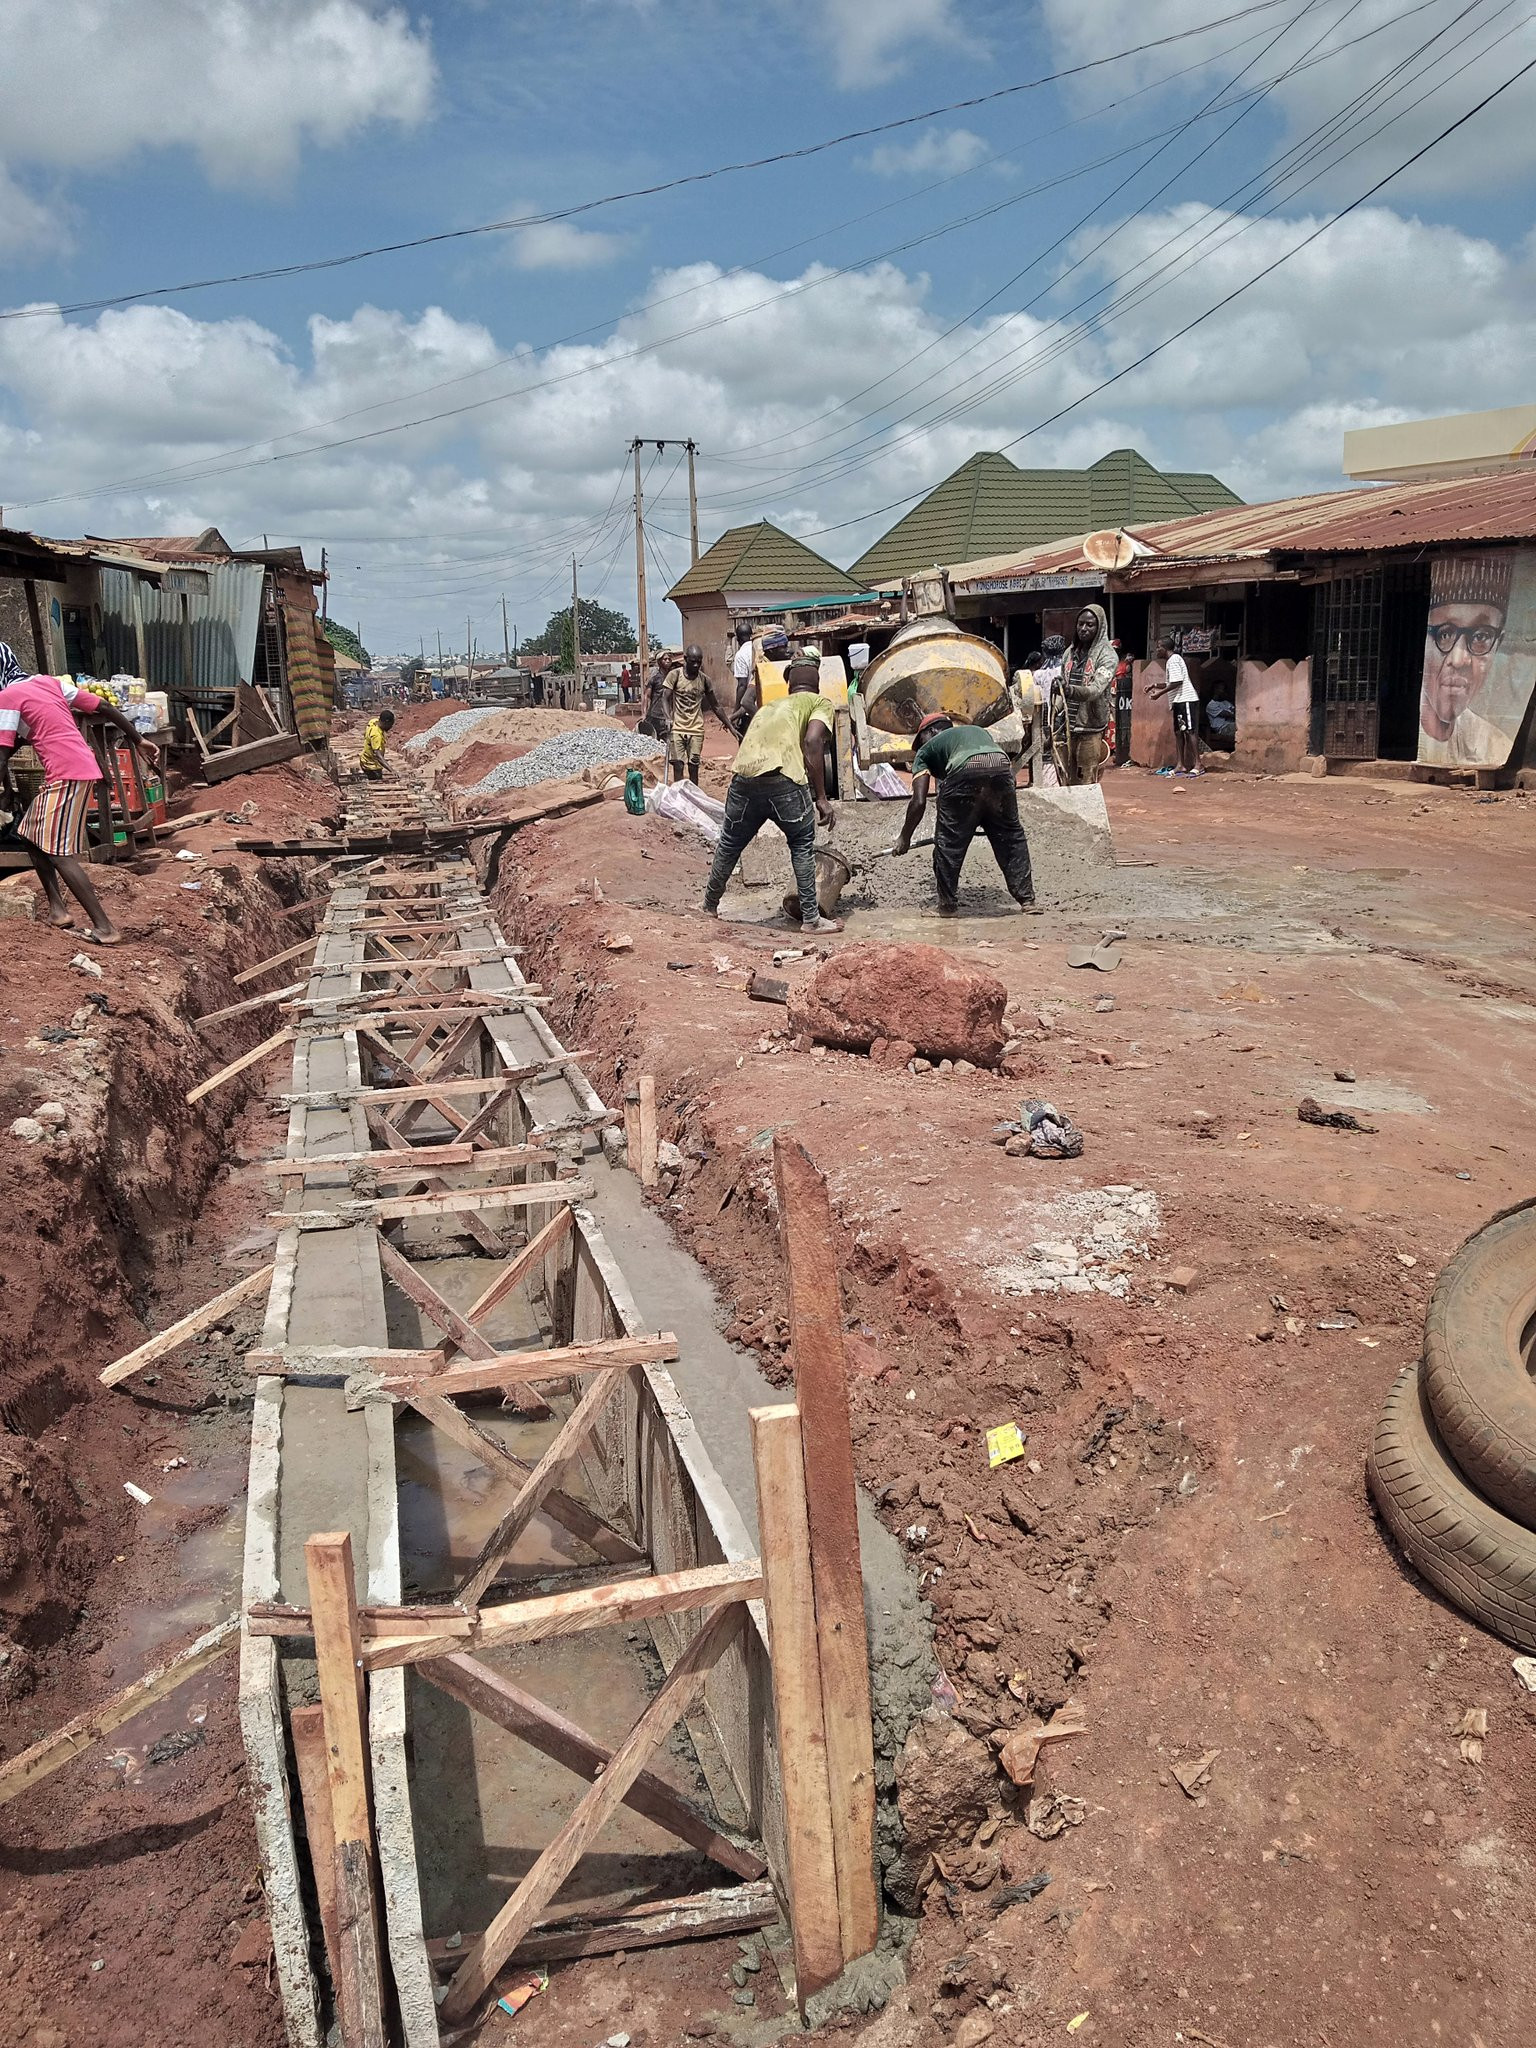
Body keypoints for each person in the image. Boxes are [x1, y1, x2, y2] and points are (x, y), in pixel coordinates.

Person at [0, 652, 158, 945]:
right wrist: (140, 740)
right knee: (29, 835)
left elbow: (2, 753)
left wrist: (3, 790)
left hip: (66, 774)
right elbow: (103, 705)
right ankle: (58, 911)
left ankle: (105, 928)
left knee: (58, 853)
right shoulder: (48, 683)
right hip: (79, 768)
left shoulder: (7, 697)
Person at [703, 652, 842, 932]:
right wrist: (822, 798)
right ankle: (811, 920)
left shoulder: (769, 707)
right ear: (817, 681)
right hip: (784, 780)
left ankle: (709, 905)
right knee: (802, 844)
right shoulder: (819, 702)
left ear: (789, 683)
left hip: (743, 778)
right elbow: (813, 742)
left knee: (730, 842)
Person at [892, 712, 1040, 917]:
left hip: (964, 771)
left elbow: (918, 801)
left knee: (947, 844)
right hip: (1002, 770)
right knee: (1011, 838)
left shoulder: (926, 751)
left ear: (932, 731)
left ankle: (947, 906)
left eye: (920, 740)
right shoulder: (977, 732)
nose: (920, 746)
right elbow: (1003, 776)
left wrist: (904, 838)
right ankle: (1028, 901)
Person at [1054, 604, 1116, 784]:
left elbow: (1096, 690)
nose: (1083, 629)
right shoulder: (1069, 653)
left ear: (1100, 627)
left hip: (1090, 728)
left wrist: (1070, 691)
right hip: (1066, 728)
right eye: (1080, 624)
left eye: (1090, 625)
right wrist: (1052, 711)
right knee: (1065, 780)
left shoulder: (1107, 655)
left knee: (1086, 781)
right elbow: (1062, 691)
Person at [661, 643, 731, 785]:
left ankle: (693, 795)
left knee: (693, 766)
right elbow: (665, 698)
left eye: (699, 662)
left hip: (696, 728)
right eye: (693, 662)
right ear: (685, 659)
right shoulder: (674, 675)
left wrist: (730, 726)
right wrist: (668, 718)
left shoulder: (704, 680)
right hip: (677, 727)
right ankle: (678, 795)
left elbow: (716, 706)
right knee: (678, 765)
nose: (696, 665)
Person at [1148, 637, 1200, 774]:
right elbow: (1171, 682)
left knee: (1189, 731)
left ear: (1164, 648)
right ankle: (1180, 765)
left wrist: (1159, 694)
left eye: (1158, 647)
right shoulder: (1171, 662)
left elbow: (1177, 682)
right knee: (1179, 732)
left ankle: (1198, 764)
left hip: (1186, 699)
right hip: (1178, 700)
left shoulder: (1174, 660)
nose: (1157, 650)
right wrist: (1155, 685)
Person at [360, 706, 395, 781]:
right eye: (390, 725)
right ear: (386, 722)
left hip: (365, 759)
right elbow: (378, 755)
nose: (391, 727)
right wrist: (391, 770)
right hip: (371, 765)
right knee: (377, 784)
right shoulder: (376, 735)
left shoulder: (373, 721)